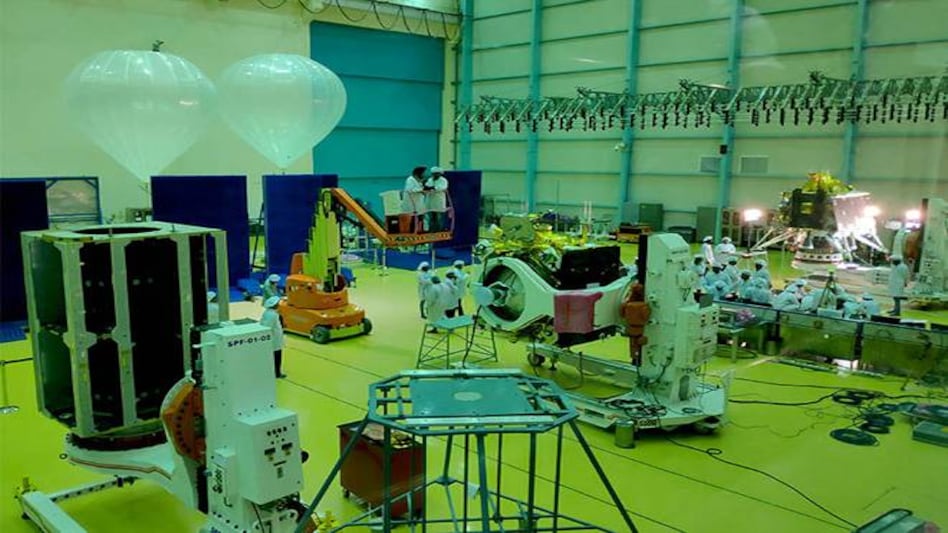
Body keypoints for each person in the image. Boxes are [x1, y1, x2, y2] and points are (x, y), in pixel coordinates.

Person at [260, 296, 285, 378]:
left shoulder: (268, 312)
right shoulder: (272, 315)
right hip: (274, 341)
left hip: (274, 340)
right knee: (277, 358)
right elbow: (268, 327)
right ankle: (277, 373)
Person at [403, 166, 427, 232]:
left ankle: (421, 233)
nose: (424, 175)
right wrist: (421, 190)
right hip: (412, 205)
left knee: (421, 219)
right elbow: (410, 190)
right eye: (423, 173)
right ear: (418, 173)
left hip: (419, 204)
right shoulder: (410, 180)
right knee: (413, 221)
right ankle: (412, 235)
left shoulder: (419, 181)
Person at [425, 166, 449, 232]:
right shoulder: (430, 179)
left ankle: (439, 231)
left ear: (440, 173)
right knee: (431, 218)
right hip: (430, 201)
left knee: (438, 218)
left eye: (436, 173)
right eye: (433, 173)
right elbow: (427, 186)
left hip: (438, 201)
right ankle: (431, 231)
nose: (435, 175)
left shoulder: (443, 180)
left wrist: (433, 188)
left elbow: (442, 188)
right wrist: (428, 187)